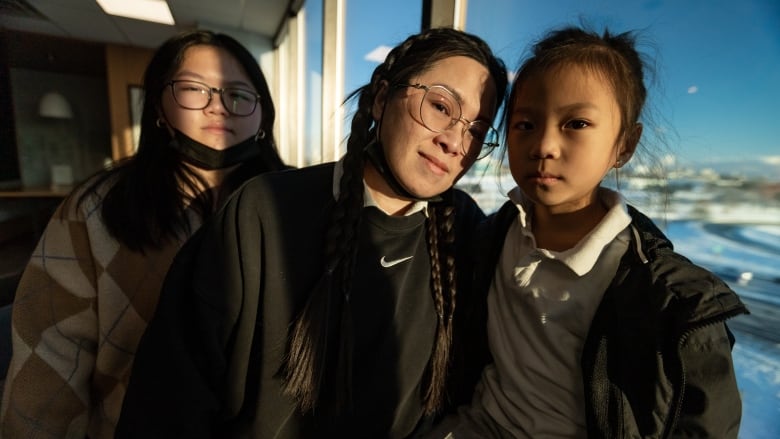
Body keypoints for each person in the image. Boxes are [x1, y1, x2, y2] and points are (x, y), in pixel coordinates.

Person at [114, 27, 508, 438]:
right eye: (441, 107)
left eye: (477, 132)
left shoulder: (466, 233)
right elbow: (171, 399)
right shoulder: (267, 211)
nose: (454, 141)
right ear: (380, 99)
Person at [429, 26, 749, 438]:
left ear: (624, 146)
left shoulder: (671, 302)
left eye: (576, 123)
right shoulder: (493, 236)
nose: (544, 144)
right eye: (525, 124)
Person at [0, 29, 287, 438]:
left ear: (263, 114)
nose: (218, 107)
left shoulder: (291, 205)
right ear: (158, 105)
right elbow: (50, 358)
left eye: (238, 94)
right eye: (194, 89)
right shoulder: (99, 208)